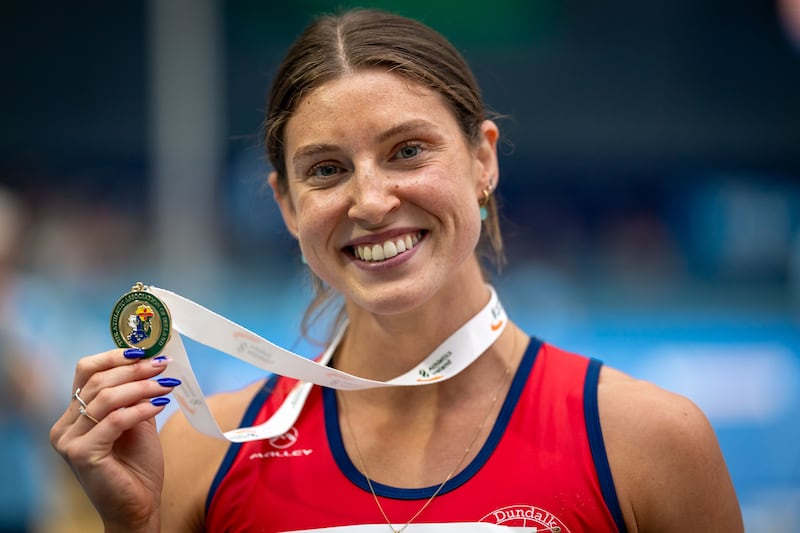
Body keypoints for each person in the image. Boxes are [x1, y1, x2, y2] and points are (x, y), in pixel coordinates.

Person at [50, 8, 743, 532]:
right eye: (326, 170)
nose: (373, 200)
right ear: (287, 206)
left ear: (483, 160)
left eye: (408, 151)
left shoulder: (648, 442)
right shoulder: (203, 456)